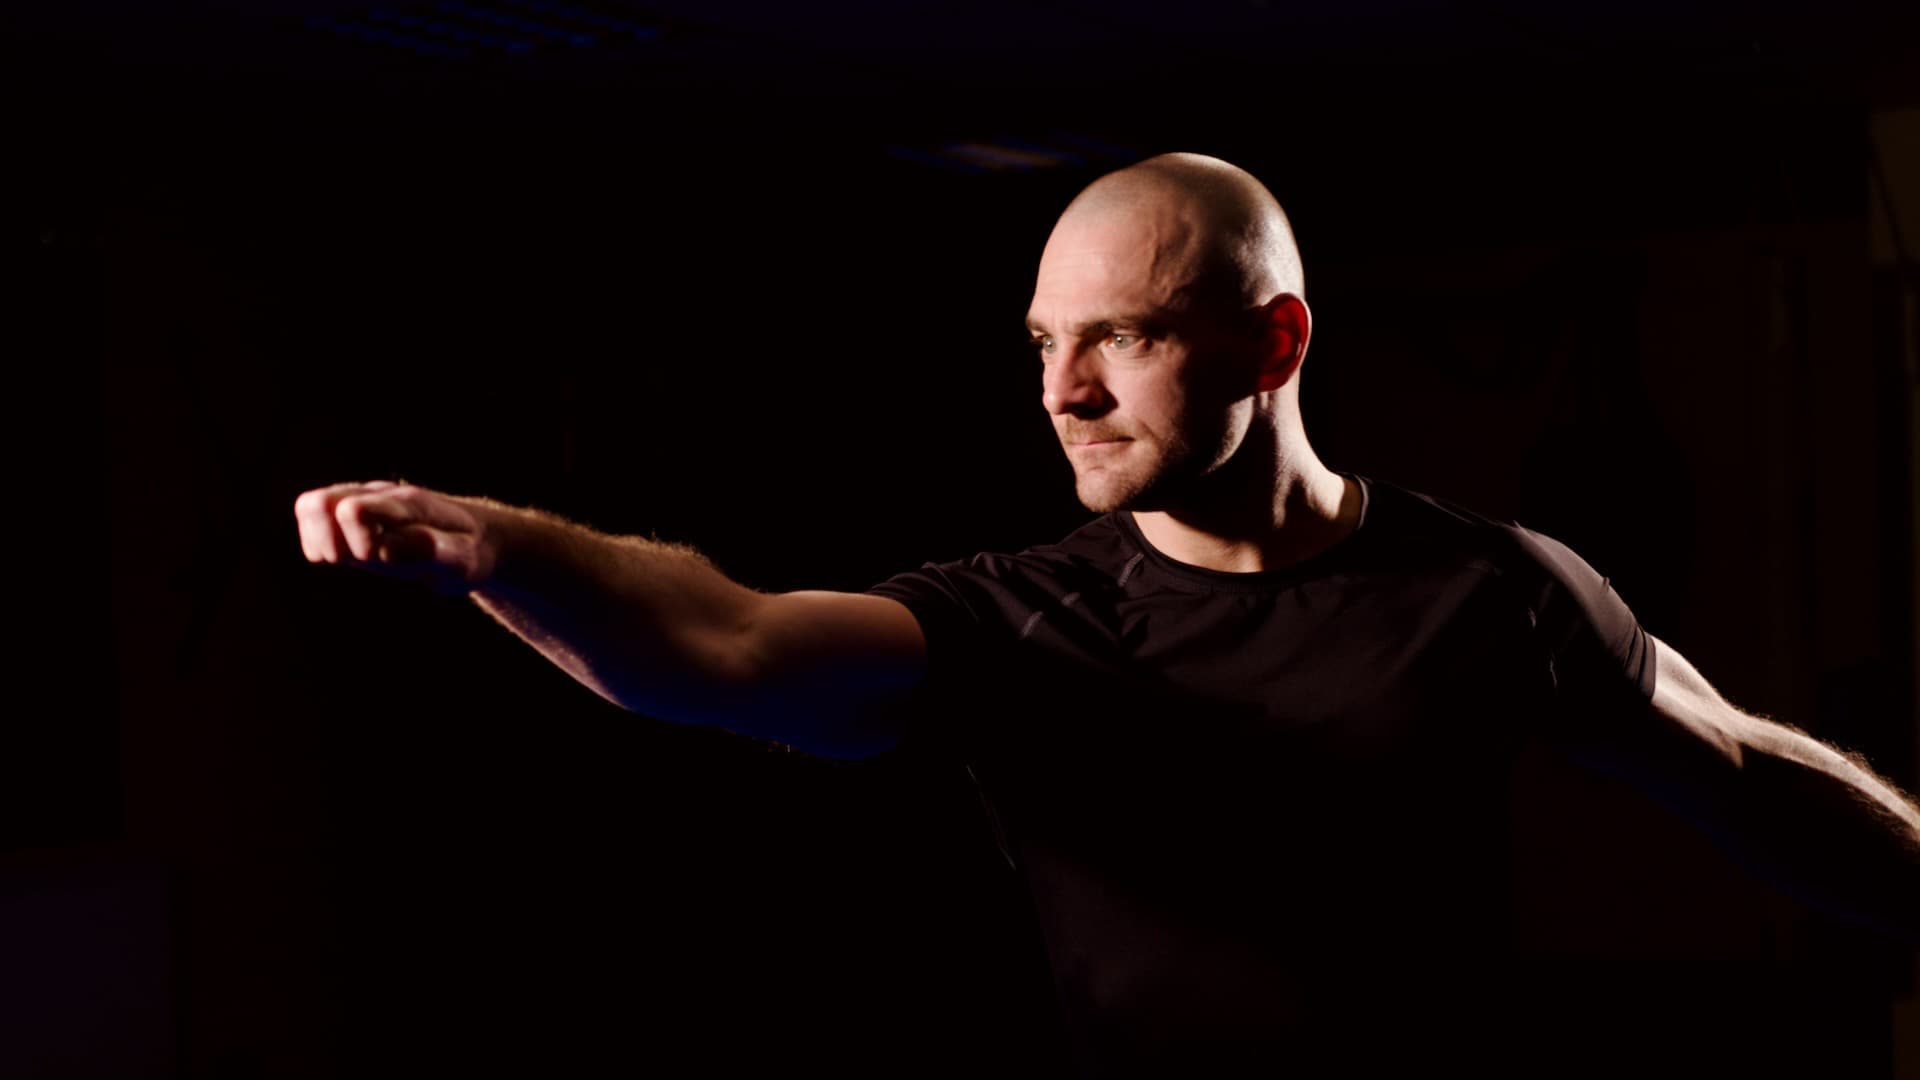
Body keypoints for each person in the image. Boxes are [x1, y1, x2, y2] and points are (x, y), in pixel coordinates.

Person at [295, 152, 1920, 1076]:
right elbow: (730, 648)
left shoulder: (1489, 589)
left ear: (1276, 346)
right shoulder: (1026, 624)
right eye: (1041, 341)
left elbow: (1751, 773)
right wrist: (502, 548)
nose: (1062, 391)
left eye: (1121, 339)